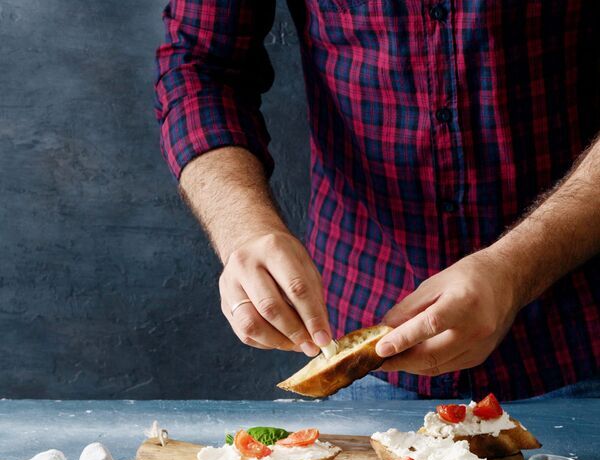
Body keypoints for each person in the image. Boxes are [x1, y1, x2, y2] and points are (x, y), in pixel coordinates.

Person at [155, 1, 599, 400]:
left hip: (579, 338)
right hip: (368, 350)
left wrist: (516, 269)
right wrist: (244, 227)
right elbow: (199, 67)